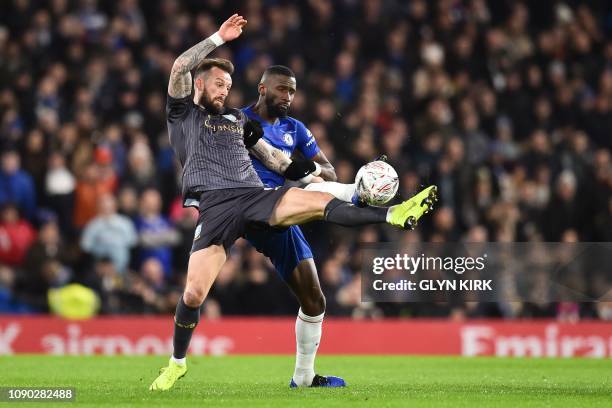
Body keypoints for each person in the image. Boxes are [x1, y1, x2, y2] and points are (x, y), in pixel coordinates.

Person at [150, 14, 437, 391]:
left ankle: (393, 214)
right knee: (192, 294)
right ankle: (177, 362)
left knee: (316, 201)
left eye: (229, 85)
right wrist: (219, 38)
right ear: (200, 84)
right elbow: (179, 65)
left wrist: (303, 170)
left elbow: (273, 159)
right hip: (216, 206)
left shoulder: (238, 119)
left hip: (254, 196)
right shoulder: (182, 113)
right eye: (219, 84)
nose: (224, 90)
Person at [242, 64, 359, 387]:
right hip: (239, 208)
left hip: (279, 211)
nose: (288, 96)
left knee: (314, 299)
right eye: (282, 89)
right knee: (196, 287)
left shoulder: (295, 129)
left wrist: (305, 170)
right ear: (263, 88)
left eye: (292, 91)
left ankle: (304, 378)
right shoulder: (238, 121)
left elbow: (330, 172)